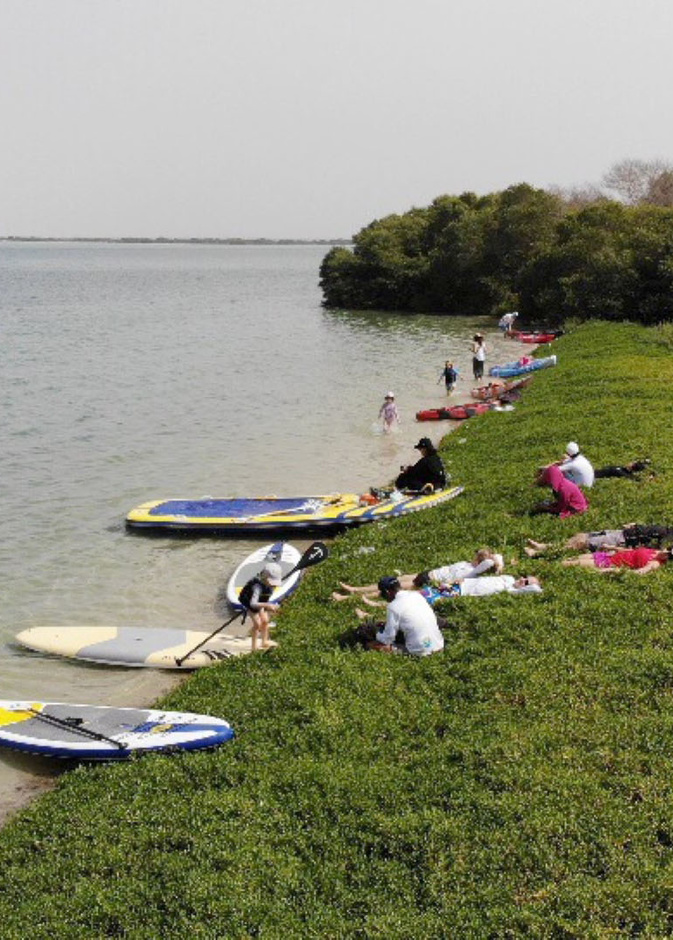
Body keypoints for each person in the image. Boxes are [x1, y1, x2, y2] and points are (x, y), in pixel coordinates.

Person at [333, 548, 505, 601]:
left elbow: (492, 563)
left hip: (429, 580)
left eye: (480, 556)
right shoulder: (467, 564)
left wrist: (494, 562)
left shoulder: (472, 573)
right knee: (396, 580)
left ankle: (347, 598)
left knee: (388, 590)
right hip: (427, 573)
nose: (477, 555)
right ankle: (355, 589)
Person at [359, 576, 444, 656]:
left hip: (421, 651)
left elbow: (387, 639)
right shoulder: (416, 595)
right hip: (439, 646)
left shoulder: (393, 606)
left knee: (372, 644)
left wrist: (376, 632)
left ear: (388, 592)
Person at [238, 562, 281, 651]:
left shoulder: (271, 586)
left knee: (265, 621)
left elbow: (265, 598)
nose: (273, 585)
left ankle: (264, 641)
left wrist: (267, 606)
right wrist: (268, 605)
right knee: (257, 624)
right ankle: (254, 647)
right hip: (252, 605)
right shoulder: (257, 587)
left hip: (261, 603)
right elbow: (253, 604)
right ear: (264, 578)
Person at [562, 546, 672, 574]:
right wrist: (613, 547)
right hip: (609, 555)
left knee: (571, 564)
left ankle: (546, 566)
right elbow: (631, 550)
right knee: (572, 558)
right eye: (668, 549)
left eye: (669, 555)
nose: (666, 552)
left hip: (609, 563)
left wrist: (612, 571)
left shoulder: (655, 564)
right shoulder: (656, 551)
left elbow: (638, 573)